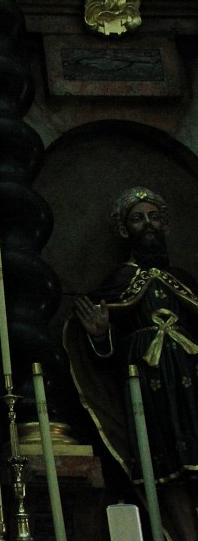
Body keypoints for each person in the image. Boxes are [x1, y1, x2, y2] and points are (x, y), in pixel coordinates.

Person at [67, 187, 198, 541]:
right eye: (138, 219)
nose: (148, 224)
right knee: (168, 470)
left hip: (191, 376)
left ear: (165, 225)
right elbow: (101, 356)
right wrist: (100, 334)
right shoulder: (119, 281)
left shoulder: (183, 280)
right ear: (125, 230)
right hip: (149, 383)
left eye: (154, 217)